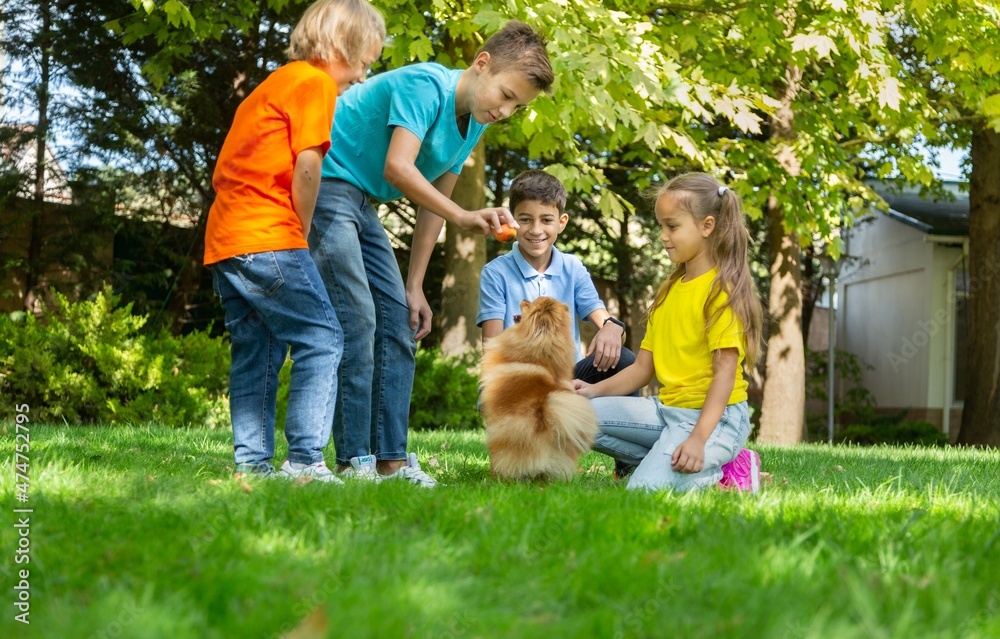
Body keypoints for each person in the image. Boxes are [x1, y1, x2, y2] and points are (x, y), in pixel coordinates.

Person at [310, 21, 554, 485]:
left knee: (400, 318)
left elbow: (431, 205)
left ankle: (391, 461)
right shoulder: (426, 85)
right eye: (505, 95)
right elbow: (399, 170)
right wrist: (465, 216)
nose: (506, 110)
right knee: (359, 317)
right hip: (325, 181)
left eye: (517, 106)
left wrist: (414, 284)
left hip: (359, 198)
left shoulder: (474, 125)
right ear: (481, 64)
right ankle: (354, 459)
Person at [204, 0, 385, 482]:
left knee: (257, 348)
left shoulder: (276, 82)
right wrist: (300, 234)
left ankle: (253, 465)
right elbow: (308, 166)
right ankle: (305, 461)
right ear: (339, 46)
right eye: (364, 62)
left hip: (227, 238)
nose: (363, 77)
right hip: (269, 233)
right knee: (323, 337)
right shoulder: (315, 84)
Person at [574, 173, 764, 492]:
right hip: (667, 412)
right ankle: (668, 457)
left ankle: (726, 466)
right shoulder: (667, 292)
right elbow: (641, 369)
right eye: (661, 226)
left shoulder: (721, 293)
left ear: (707, 226)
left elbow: (724, 376)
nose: (663, 236)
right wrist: (588, 392)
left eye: (672, 226)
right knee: (572, 417)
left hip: (715, 420)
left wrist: (697, 439)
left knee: (643, 492)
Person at [477, 169, 637, 383]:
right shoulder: (496, 273)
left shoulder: (572, 268)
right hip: (516, 380)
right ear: (512, 221)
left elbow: (603, 318)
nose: (535, 230)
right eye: (525, 219)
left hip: (566, 378)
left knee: (625, 361)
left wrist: (612, 327)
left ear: (561, 223)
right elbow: (492, 351)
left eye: (546, 220)